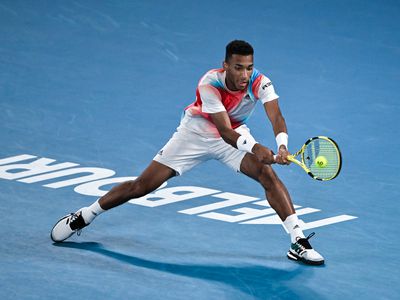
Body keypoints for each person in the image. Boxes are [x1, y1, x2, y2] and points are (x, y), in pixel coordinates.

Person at [51, 40, 324, 265]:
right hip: (196, 133)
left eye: (249, 68)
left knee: (267, 175)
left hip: (235, 133)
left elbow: (276, 116)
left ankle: (297, 240)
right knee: (143, 185)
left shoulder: (260, 82)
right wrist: (255, 147)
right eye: (238, 68)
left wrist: (282, 144)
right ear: (226, 65)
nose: (244, 75)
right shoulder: (210, 84)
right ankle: (86, 215)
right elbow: (224, 133)